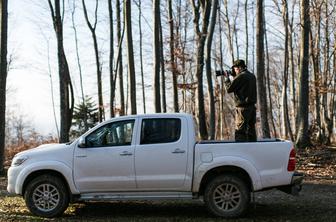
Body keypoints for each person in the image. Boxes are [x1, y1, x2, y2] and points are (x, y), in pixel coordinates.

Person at [224, 59, 257, 142]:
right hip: (252, 108)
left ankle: (240, 150)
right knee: (251, 131)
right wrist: (235, 76)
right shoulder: (252, 76)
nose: (234, 71)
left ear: (239, 68)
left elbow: (229, 89)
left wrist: (227, 78)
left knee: (240, 131)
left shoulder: (241, 76)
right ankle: (253, 149)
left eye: (235, 69)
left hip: (243, 109)